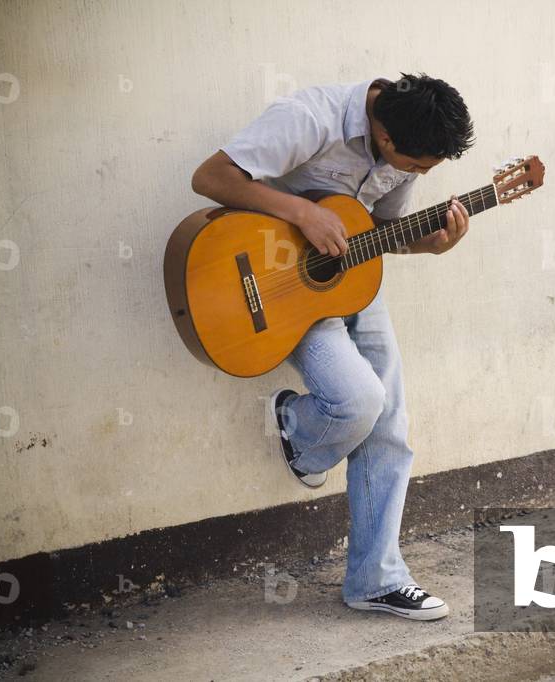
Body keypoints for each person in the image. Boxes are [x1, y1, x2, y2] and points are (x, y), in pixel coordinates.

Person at [190, 73, 475, 620]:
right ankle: (297, 426)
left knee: (390, 422)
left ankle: (376, 579)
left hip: (351, 278)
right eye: (416, 166)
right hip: (274, 287)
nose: (416, 175)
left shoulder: (401, 149)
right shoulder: (311, 117)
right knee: (359, 403)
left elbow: (383, 230)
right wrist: (302, 212)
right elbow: (210, 177)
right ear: (385, 134)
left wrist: (432, 245)